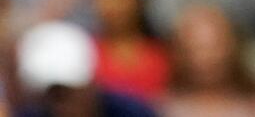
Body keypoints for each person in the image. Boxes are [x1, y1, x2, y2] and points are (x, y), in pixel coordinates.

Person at [16, 20, 156, 117]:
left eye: (66, 93)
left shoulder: (133, 112)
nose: (60, 107)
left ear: (91, 84)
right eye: (51, 96)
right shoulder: (31, 114)